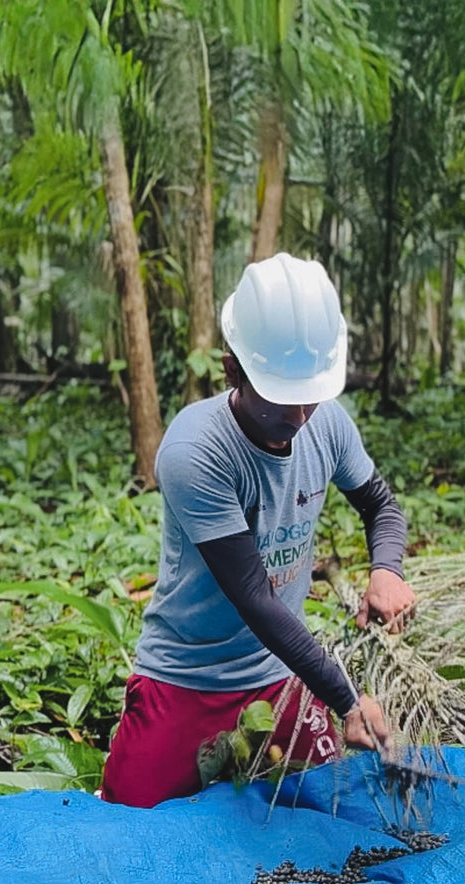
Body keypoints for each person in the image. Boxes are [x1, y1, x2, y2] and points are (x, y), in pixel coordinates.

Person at [101, 252, 416, 808]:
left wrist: (386, 570)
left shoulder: (328, 425)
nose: (299, 419)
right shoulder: (195, 450)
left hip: (280, 673)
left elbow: (381, 506)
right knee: (126, 818)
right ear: (233, 370)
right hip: (187, 676)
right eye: (280, 398)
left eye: (309, 397)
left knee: (329, 803)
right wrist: (346, 700)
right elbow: (255, 599)